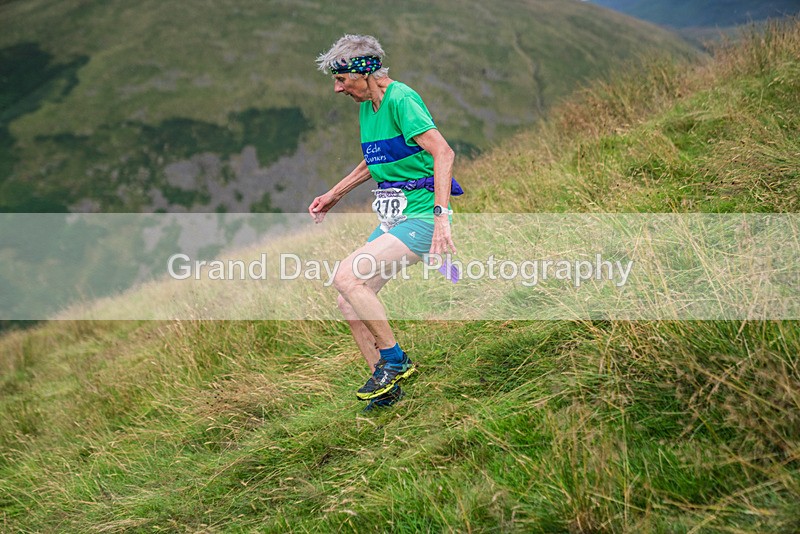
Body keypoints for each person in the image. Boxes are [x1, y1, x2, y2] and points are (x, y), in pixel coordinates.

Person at [308, 34, 463, 412]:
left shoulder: (402, 99)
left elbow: (443, 151)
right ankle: (387, 389)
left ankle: (395, 360)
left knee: (347, 275)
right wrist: (334, 194)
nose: (337, 88)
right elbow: (375, 160)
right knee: (348, 301)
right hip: (394, 217)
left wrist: (442, 217)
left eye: (342, 79)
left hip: (422, 214)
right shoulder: (368, 107)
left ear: (365, 73)